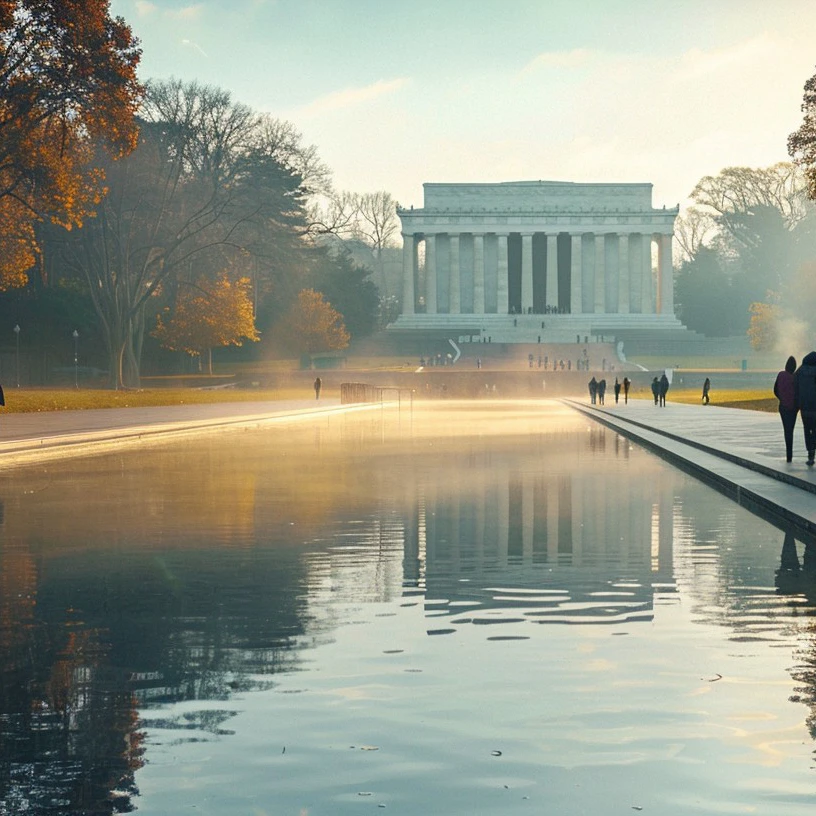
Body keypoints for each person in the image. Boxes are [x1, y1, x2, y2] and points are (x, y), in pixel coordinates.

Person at [794, 351, 816, 466]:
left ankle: (810, 454)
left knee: (807, 430)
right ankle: (814, 447)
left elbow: (794, 387)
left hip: (804, 408)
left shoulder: (800, 371)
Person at [774, 356, 797, 463]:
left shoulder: (781, 375)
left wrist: (782, 399)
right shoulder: (795, 377)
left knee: (786, 430)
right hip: (793, 408)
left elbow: (775, 390)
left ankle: (789, 454)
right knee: (790, 429)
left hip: (783, 407)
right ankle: (790, 454)